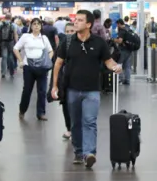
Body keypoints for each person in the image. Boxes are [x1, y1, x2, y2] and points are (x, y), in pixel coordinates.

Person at [50, 10, 122, 169]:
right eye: (75, 19)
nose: (76, 22)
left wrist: (115, 67)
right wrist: (54, 86)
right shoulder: (68, 41)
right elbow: (58, 63)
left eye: (80, 20)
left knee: (89, 121)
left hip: (92, 90)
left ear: (89, 24)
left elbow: (108, 61)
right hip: (72, 89)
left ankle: (89, 153)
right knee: (75, 123)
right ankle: (78, 151)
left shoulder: (99, 42)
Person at [13, 18, 54, 121]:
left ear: (41, 26)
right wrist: (20, 61)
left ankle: (41, 113)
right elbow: (16, 48)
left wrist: (47, 61)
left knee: (42, 91)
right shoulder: (26, 37)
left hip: (42, 68)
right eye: (34, 24)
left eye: (38, 24)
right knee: (27, 90)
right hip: (29, 67)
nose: (36, 26)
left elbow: (51, 51)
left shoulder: (44, 38)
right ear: (31, 26)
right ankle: (22, 110)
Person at [56, 22, 76, 140]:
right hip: (65, 79)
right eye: (67, 31)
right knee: (66, 104)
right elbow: (57, 62)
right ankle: (69, 128)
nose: (69, 34)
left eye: (72, 31)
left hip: (79, 80)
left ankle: (76, 129)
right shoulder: (63, 44)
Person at [114, 18, 137, 86]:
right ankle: (127, 80)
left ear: (119, 24)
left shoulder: (122, 30)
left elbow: (120, 41)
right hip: (129, 49)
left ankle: (120, 79)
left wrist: (114, 40)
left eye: (117, 25)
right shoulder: (128, 28)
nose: (117, 26)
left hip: (123, 50)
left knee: (119, 63)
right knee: (127, 65)